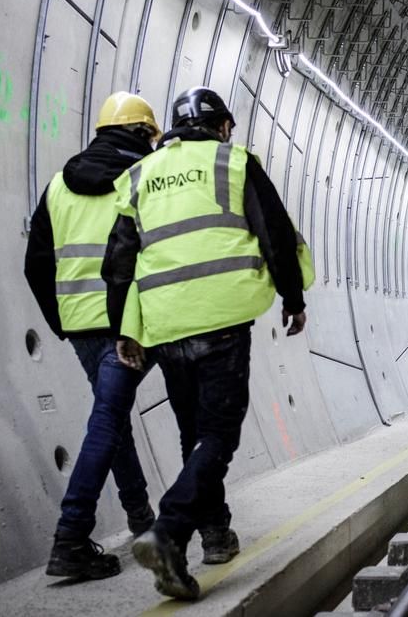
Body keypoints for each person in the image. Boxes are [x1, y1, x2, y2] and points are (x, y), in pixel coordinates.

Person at [102, 86, 307, 600]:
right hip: (222, 317)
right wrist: (292, 296)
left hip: (165, 325)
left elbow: (119, 264)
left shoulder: (139, 175)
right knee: (218, 435)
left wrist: (124, 331)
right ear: (221, 127)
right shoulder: (234, 161)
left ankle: (215, 535)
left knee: (193, 433)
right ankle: (168, 533)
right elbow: (275, 232)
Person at [23, 91, 162, 579]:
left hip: (80, 324)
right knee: (108, 417)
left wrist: (61, 320)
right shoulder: (145, 176)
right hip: (132, 324)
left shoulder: (58, 184)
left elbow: (36, 262)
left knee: (112, 414)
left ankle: (143, 520)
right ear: (144, 134)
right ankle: (71, 537)